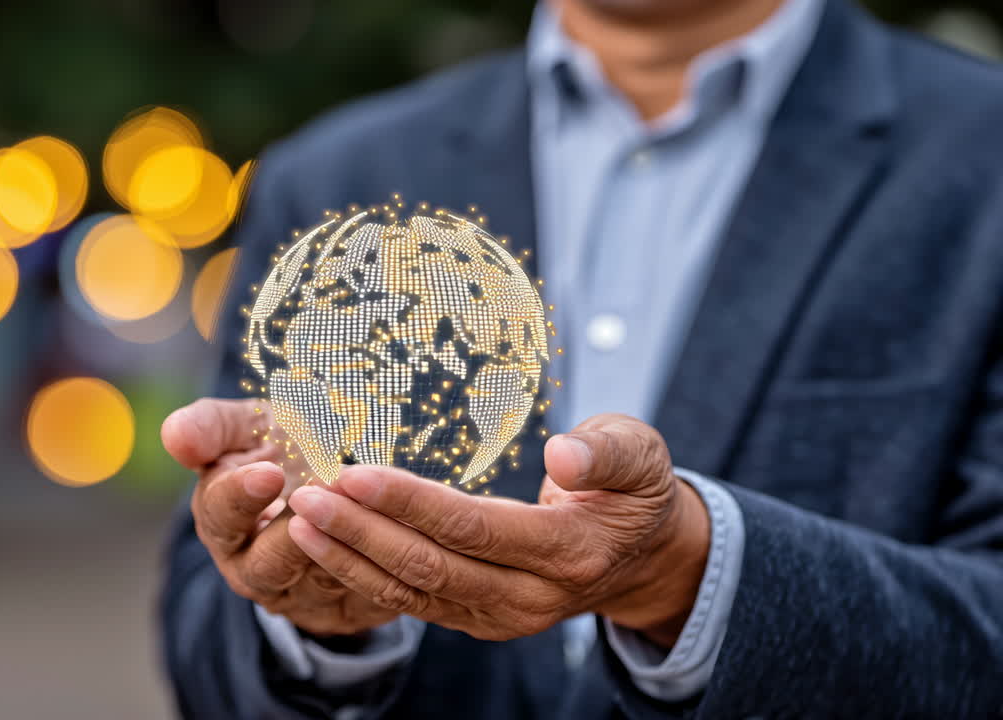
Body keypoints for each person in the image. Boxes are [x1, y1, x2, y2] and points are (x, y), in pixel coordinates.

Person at [159, 0, 1003, 716]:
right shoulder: (336, 174)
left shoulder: (980, 158)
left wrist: (699, 579)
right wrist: (321, 627)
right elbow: (204, 639)